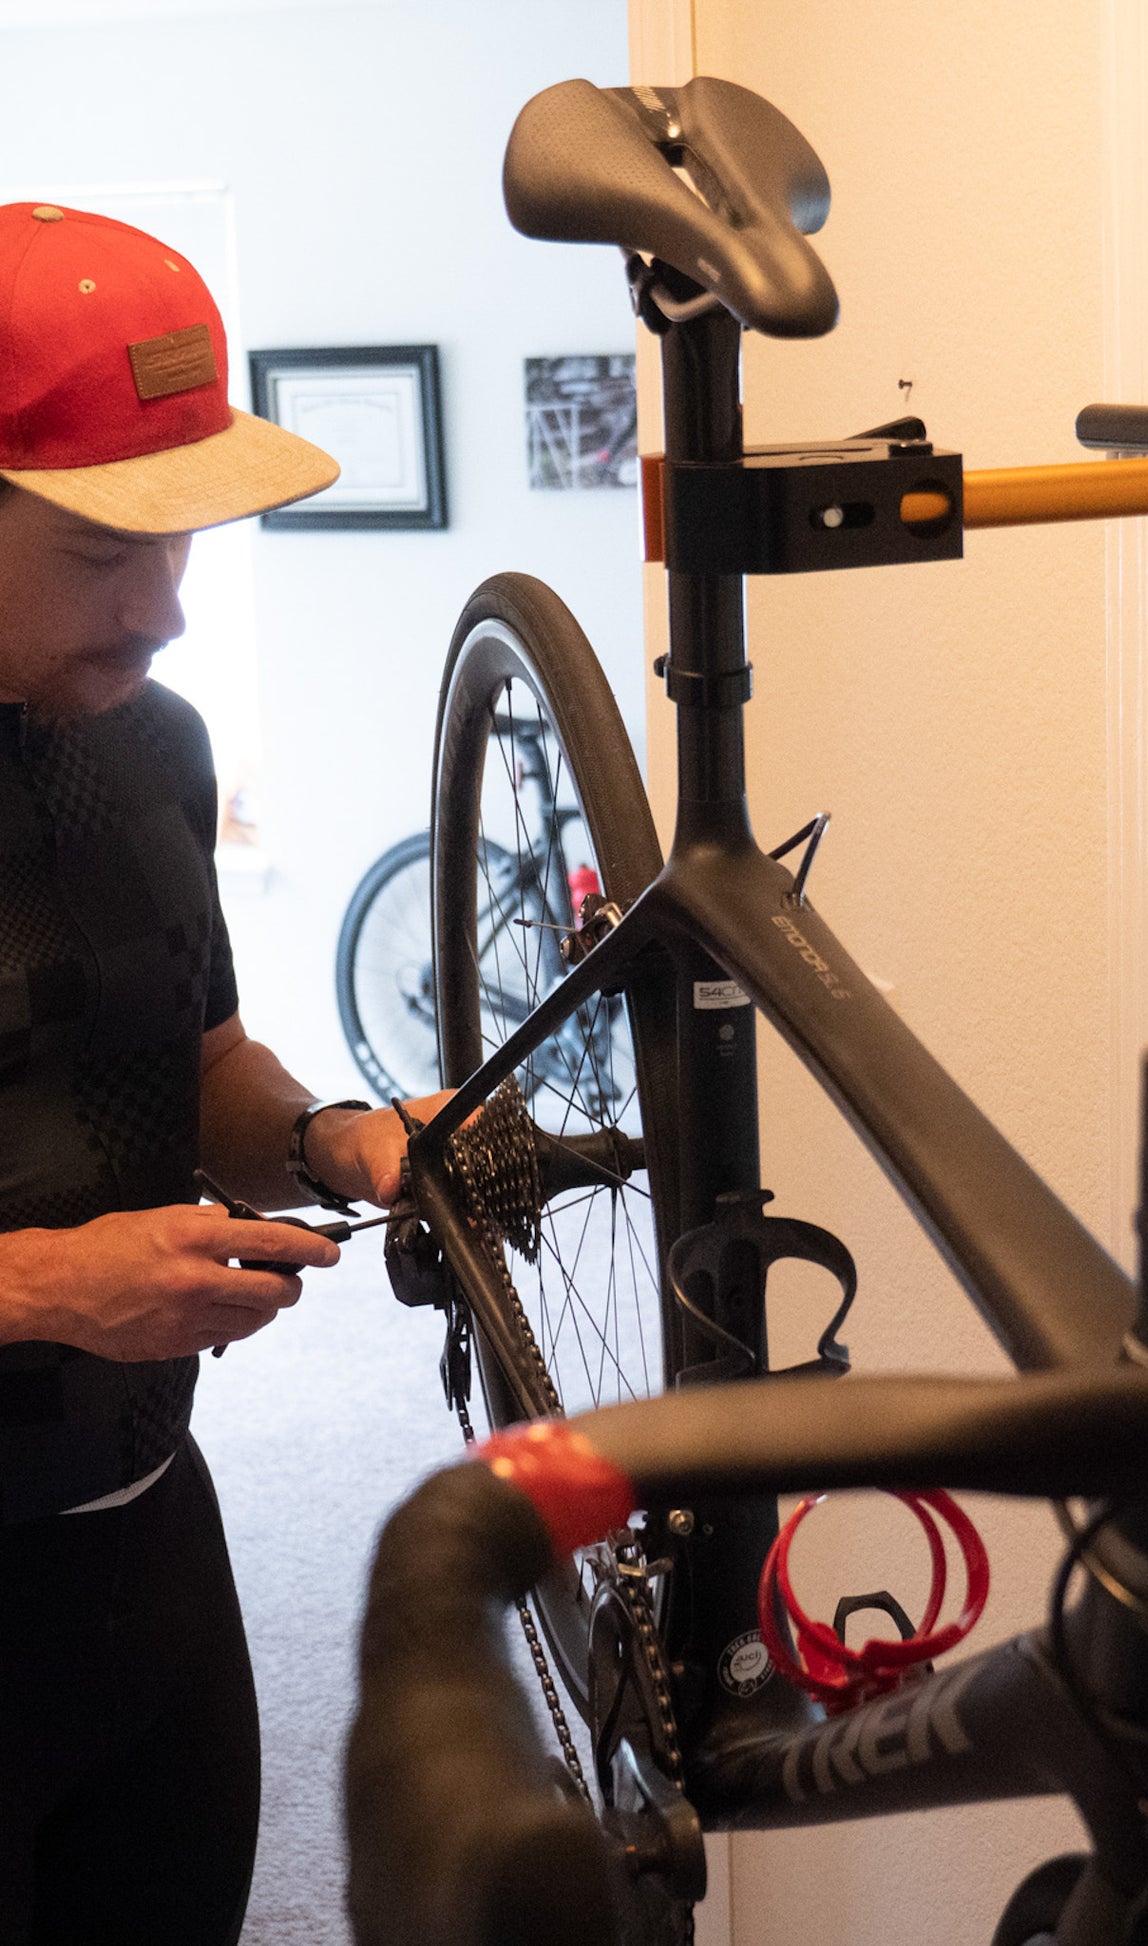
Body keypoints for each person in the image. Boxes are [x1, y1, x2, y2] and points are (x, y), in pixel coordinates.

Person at [0, 202, 441, 1944]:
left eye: (186, 539)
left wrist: (335, 1142)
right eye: (108, 545)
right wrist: (49, 1283)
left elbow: (190, 1066)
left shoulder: (156, 751)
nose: (166, 608)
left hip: (149, 1545)